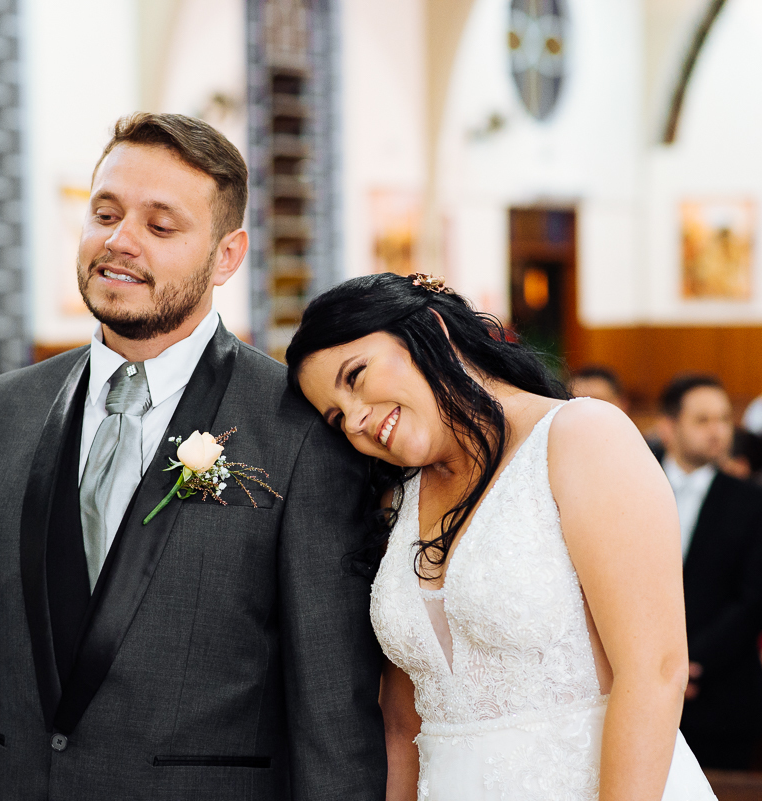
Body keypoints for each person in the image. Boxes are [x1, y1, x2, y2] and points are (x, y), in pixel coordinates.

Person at [0, 114, 386, 800]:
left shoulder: (295, 426)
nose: (119, 240)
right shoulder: (4, 410)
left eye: (160, 226)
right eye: (105, 212)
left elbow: (330, 709)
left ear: (227, 255)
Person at [287, 272, 715, 801]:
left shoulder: (581, 437)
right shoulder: (396, 501)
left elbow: (655, 672)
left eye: (355, 377)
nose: (354, 422)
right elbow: (403, 725)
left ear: (434, 330)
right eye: (336, 418)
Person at [655, 375, 762, 769]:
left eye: (724, 419)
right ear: (668, 428)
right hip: (638, 679)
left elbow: (755, 598)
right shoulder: (632, 485)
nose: (717, 431)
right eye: (703, 420)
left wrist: (692, 662)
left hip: (722, 691)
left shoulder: (755, 503)